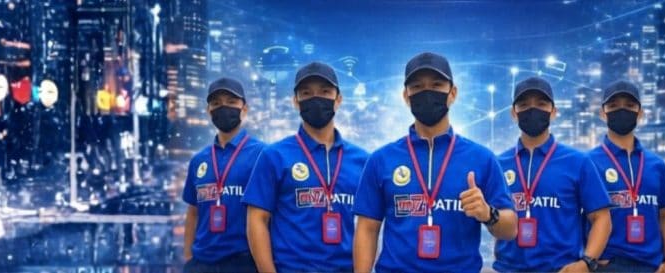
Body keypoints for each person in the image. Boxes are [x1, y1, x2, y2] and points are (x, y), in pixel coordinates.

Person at [352, 52, 518, 273]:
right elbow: (367, 229)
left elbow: (511, 228)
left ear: (453, 93)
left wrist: (488, 213)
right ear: (406, 96)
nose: (427, 92)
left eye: (437, 85)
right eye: (417, 87)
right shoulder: (381, 159)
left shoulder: (482, 158)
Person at [243, 62, 369, 272]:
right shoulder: (274, 156)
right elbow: (257, 218)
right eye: (306, 93)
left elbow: (370, 225)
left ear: (338, 99)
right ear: (296, 101)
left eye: (325, 92)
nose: (316, 98)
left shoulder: (362, 160)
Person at [493, 77, 613, 272]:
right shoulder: (499, 164)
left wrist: (587, 262)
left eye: (541, 104)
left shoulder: (577, 162)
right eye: (524, 105)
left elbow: (601, 218)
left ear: (554, 112)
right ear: (514, 113)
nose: (533, 110)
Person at [588, 81, 665, 273]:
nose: (622, 111)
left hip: (651, 266)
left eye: (629, 106)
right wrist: (589, 259)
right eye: (613, 106)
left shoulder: (656, 164)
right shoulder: (589, 163)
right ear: (603, 113)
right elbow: (575, 217)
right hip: (607, 265)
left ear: (640, 113)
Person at [182, 77, 266, 273]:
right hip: (202, 263)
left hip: (244, 262)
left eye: (231, 102)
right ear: (209, 111)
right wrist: (188, 258)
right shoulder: (199, 160)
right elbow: (193, 212)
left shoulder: (263, 155)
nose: (223, 107)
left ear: (244, 109)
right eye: (216, 103)